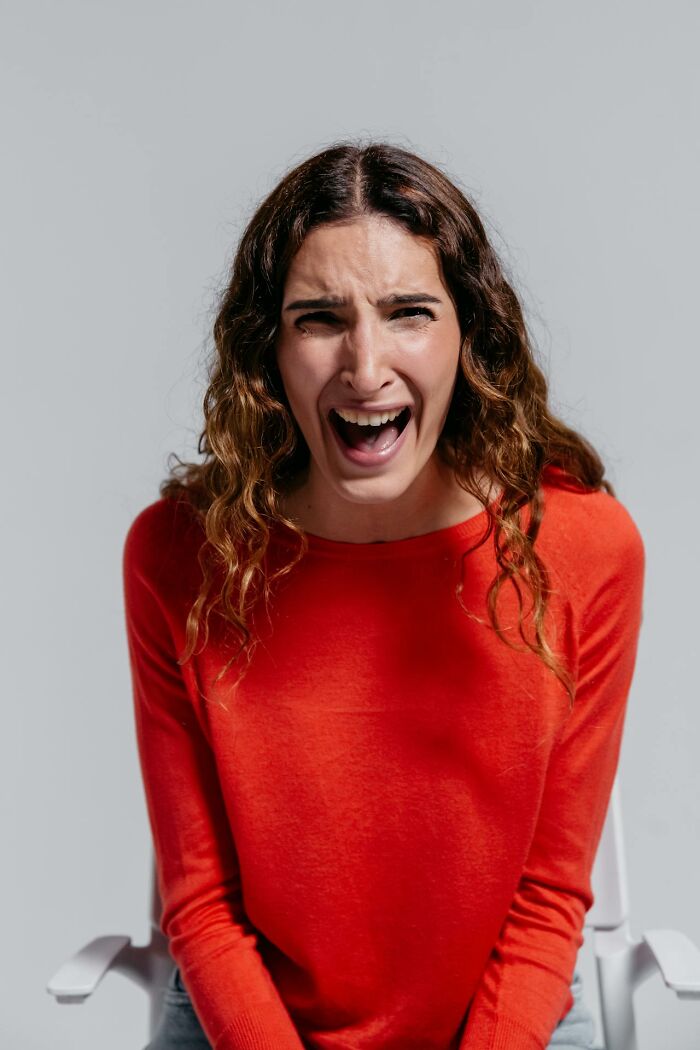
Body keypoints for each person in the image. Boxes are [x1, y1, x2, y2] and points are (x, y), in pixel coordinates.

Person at [122, 141, 645, 1050]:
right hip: (243, 1020)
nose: (365, 368)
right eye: (319, 319)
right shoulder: (179, 554)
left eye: (409, 313)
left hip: (508, 1015)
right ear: (268, 349)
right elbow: (202, 907)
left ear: (468, 334)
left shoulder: (585, 548)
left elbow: (547, 899)